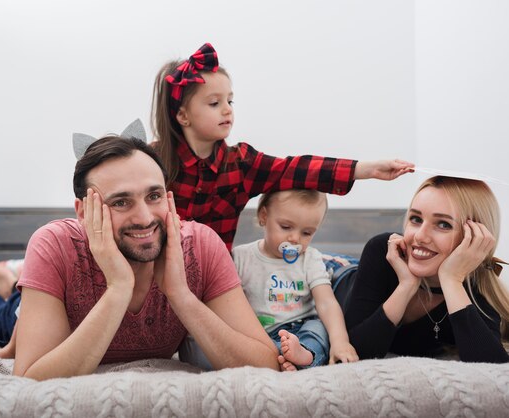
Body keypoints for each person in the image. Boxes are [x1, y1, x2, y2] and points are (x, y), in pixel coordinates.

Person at [12, 135, 279, 380]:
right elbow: (30, 379)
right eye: (120, 202)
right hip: (33, 307)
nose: (144, 218)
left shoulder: (201, 246)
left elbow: (266, 364)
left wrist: (181, 296)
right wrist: (118, 288)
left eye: (154, 196)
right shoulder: (55, 245)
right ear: (83, 212)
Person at [150, 42, 415, 251]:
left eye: (230, 101)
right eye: (214, 103)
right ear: (183, 115)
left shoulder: (242, 163)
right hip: (160, 275)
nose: (227, 110)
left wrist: (365, 169)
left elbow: (295, 168)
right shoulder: (152, 162)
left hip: (214, 277)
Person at [344, 176, 509, 363]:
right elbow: (353, 352)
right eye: (415, 219)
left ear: (474, 238)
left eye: (443, 224)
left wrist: (451, 280)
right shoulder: (384, 251)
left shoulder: (476, 288)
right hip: (339, 277)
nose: (420, 236)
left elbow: (493, 368)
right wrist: (406, 286)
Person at [233, 189, 359, 371]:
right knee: (245, 341)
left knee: (319, 328)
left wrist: (340, 341)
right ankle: (280, 357)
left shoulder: (310, 259)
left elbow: (326, 303)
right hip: (261, 333)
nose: (294, 239)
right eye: (285, 227)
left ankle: (305, 356)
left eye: (306, 233)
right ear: (263, 216)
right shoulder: (241, 257)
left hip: (302, 327)